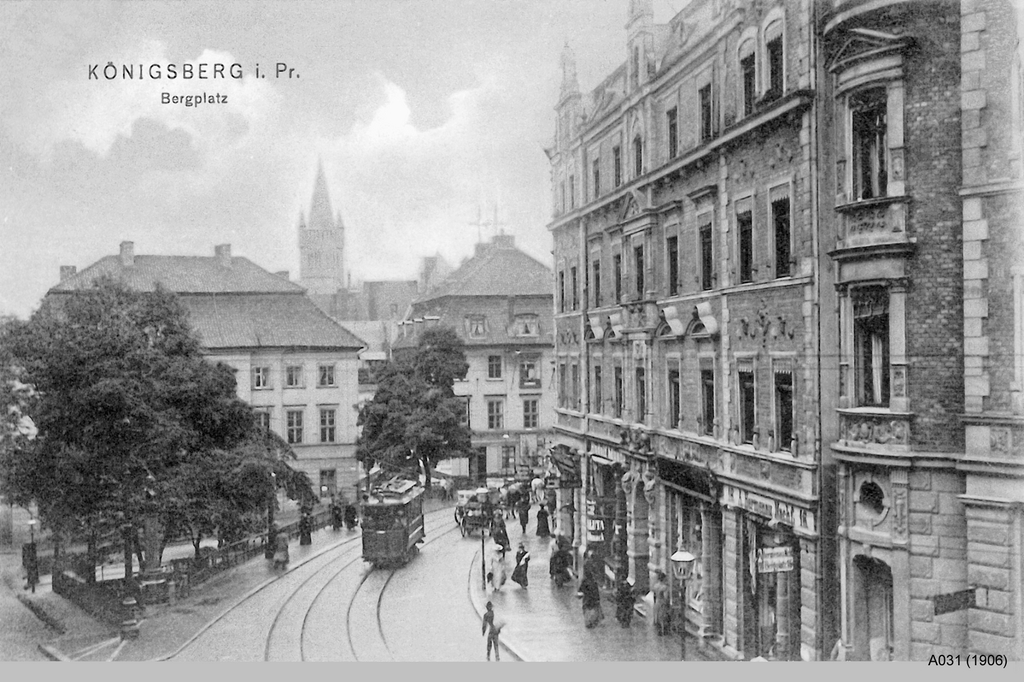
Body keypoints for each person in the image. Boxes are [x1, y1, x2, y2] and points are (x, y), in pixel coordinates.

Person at [651, 570, 670, 636]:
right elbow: (666, 597)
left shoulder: (655, 586)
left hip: (657, 602)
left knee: (657, 616)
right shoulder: (664, 587)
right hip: (662, 603)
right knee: (663, 616)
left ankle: (658, 630)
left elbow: (654, 596)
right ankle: (663, 630)